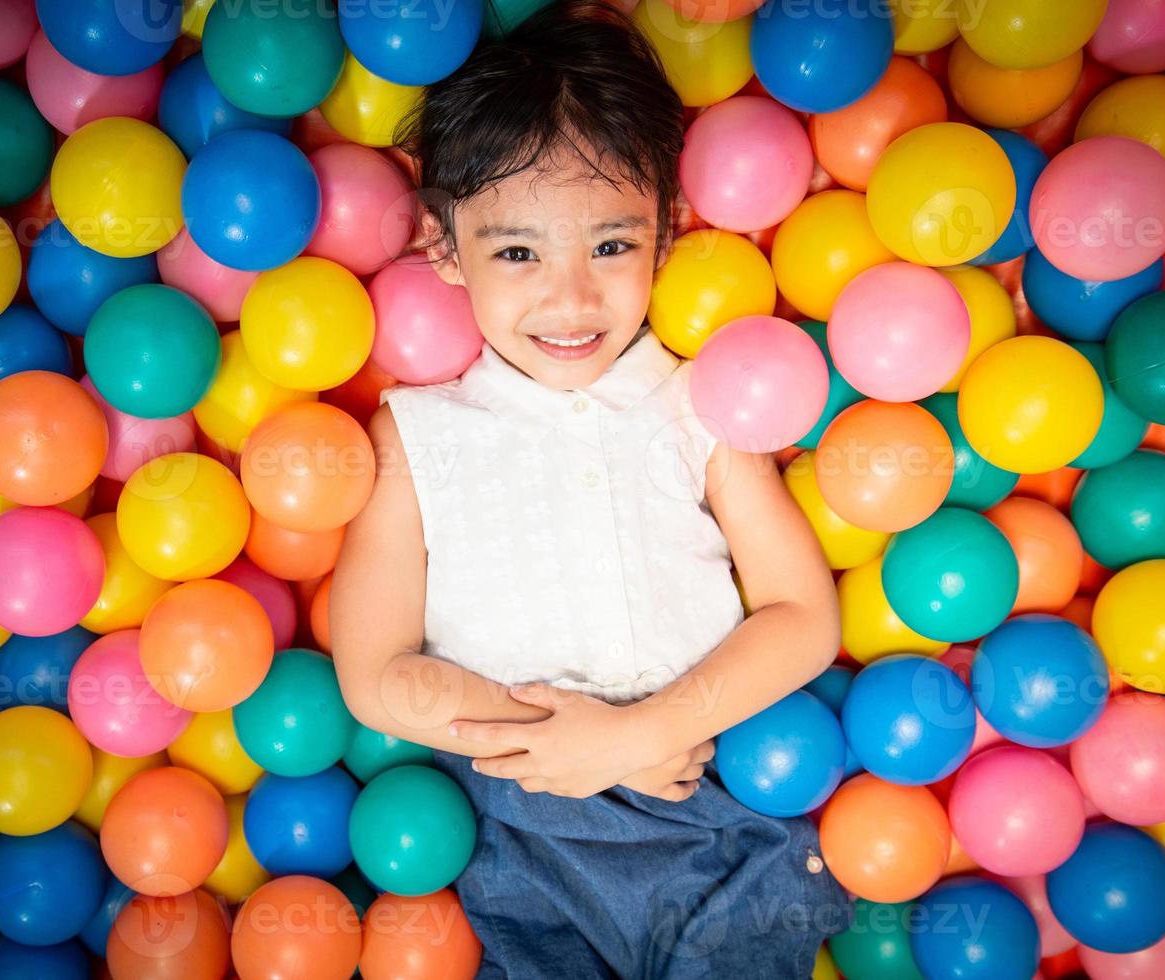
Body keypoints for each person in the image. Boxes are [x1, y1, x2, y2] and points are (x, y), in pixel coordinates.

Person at [329, 2, 854, 975]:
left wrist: (648, 729)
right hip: (529, 825)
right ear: (445, 246)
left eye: (611, 246)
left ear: (667, 230)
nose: (570, 299)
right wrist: (581, 745)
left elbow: (801, 615)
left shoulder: (700, 404)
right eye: (519, 252)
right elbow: (375, 673)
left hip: (716, 789)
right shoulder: (415, 435)